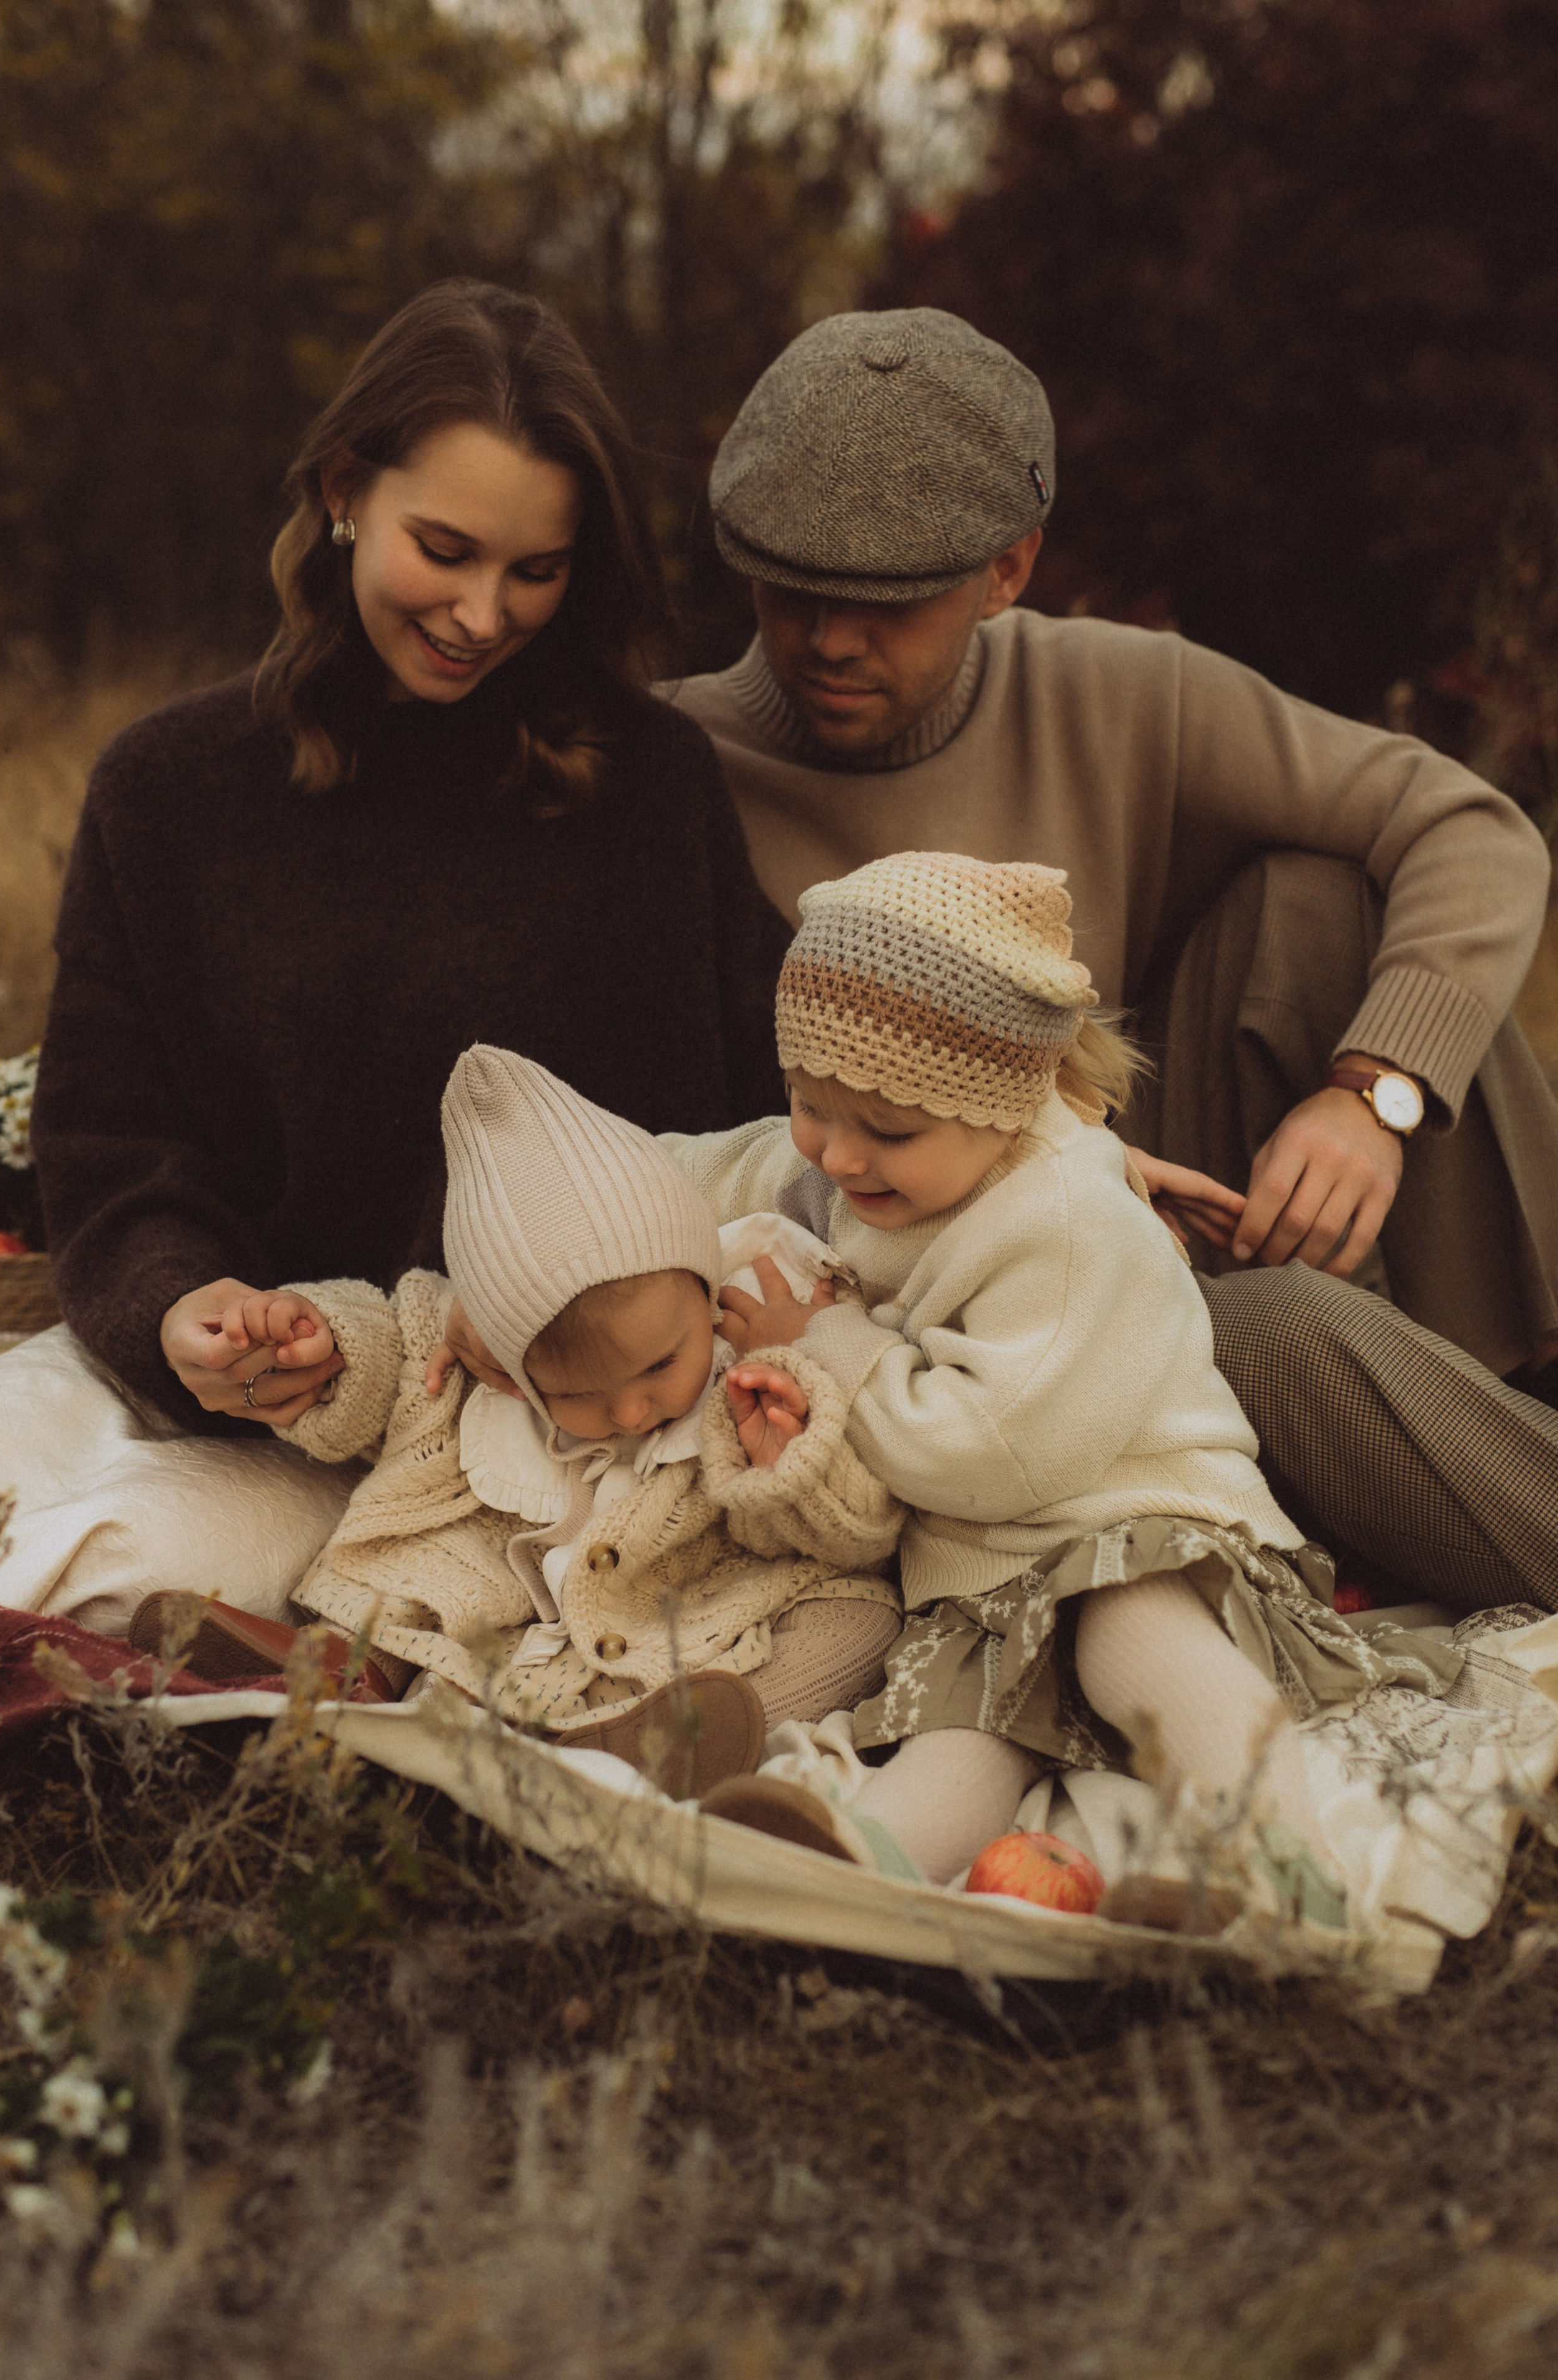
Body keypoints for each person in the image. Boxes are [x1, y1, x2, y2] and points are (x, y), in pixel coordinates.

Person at [666, 305, 1558, 1605]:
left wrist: (1374, 1094)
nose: (828, 638)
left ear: (1008, 570)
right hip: (926, 1302)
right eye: (789, 586)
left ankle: (1504, 1391)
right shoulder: (669, 772)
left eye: (889, 601)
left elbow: (1464, 826)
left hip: (1146, 1197)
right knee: (1295, 1338)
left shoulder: (1121, 692)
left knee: (1315, 894)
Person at [0, 280, 790, 1635]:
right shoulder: (168, 788)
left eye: (537, 571)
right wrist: (183, 1307)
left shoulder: (649, 789)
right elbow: (113, 1151)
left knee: (71, 1575)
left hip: (499, 1439)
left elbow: (778, 1097)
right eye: (445, 548)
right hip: (227, 1381)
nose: (481, 613)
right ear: (346, 487)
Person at [662, 852, 1460, 1915]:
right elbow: (720, 1164)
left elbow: (994, 1453)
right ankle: (854, 1863)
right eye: (811, 1104)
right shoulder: (866, 1160)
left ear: (1002, 1106)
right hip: (990, 1569)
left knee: (1137, 1639)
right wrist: (567, 1223)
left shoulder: (1066, 1221)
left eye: (886, 1130)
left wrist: (835, 1338)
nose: (840, 1158)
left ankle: (1275, 1860)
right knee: (965, 1730)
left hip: (1131, 1516)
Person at [133, 1047, 903, 1790]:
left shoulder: (750, 1363)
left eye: (661, 1366)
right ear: (503, 1355)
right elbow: (382, 1355)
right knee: (421, 1606)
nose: (631, 1410)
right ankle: (343, 1674)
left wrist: (785, 1458)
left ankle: (655, 1746)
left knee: (856, 1621)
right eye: (576, 1395)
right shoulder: (468, 1359)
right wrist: (315, 1340)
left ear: (703, 1290)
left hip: (682, 1624)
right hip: (495, 1632)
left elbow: (851, 1536)